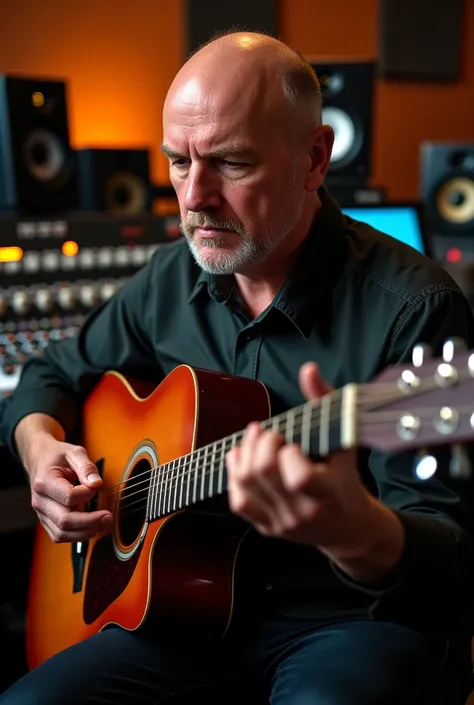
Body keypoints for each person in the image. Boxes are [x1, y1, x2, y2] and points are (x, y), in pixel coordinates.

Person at [1, 30, 474, 705]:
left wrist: (355, 530)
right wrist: (41, 447)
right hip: (181, 619)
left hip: (346, 623)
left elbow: (453, 561)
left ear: (314, 159)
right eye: (177, 162)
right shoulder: (170, 277)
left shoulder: (415, 309)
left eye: (229, 163)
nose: (194, 196)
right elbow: (51, 371)